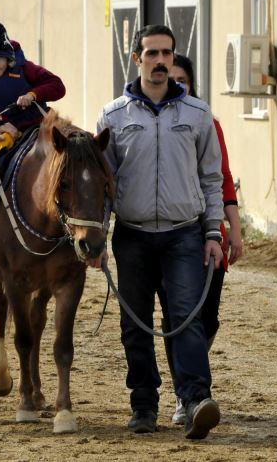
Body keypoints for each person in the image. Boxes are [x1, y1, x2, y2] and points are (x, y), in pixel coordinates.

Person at [95, 25, 224, 440]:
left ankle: (195, 400)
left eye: (167, 53)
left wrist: (213, 233)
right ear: (137, 59)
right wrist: (97, 238)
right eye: (151, 53)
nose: (160, 61)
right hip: (131, 236)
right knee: (134, 324)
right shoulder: (112, 116)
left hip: (183, 234)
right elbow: (103, 185)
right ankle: (143, 406)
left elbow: (212, 179)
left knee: (186, 317)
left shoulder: (198, 114)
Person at [162, 53, 244, 425]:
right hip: (168, 236)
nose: (177, 84)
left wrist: (235, 230)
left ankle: (190, 370)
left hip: (207, 232)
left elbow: (223, 179)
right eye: (171, 78)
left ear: (191, 84)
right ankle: (188, 394)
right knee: (178, 318)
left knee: (206, 319)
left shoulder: (208, 123)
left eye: (184, 79)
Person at [0, 11, 65, 219]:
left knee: (72, 148)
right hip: (7, 135)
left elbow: (58, 86)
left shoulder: (26, 68)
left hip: (43, 125)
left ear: (8, 56)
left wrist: (33, 94)